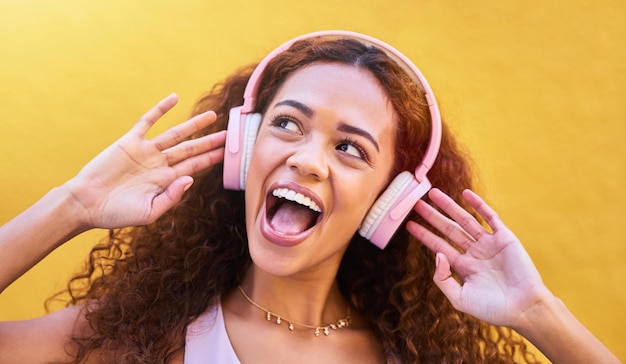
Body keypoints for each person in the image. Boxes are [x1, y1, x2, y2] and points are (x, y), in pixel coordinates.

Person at [0, 31, 619, 364]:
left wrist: (537, 312)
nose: (306, 159)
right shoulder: (147, 340)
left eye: (351, 148)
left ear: (389, 204)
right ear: (244, 151)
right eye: (288, 125)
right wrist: (73, 205)